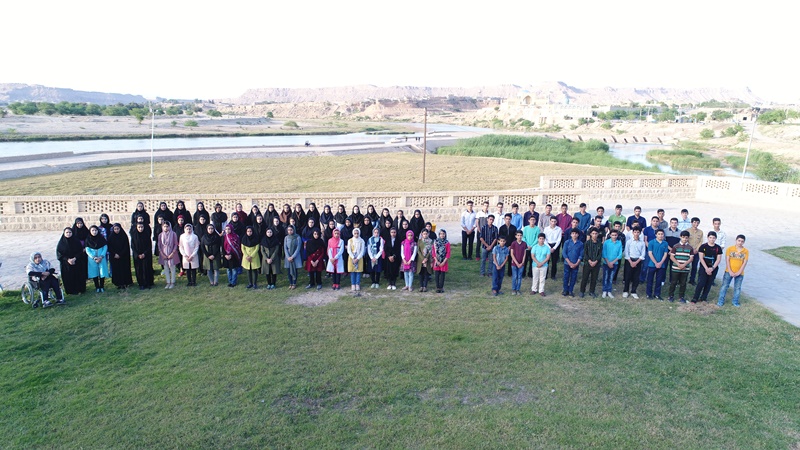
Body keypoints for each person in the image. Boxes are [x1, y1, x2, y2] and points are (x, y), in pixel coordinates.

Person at [717, 235, 749, 308]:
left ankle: (735, 302)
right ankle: (720, 301)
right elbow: (727, 260)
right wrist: (730, 271)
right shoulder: (730, 249)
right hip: (729, 271)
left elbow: (744, 262)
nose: (740, 243)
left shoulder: (745, 251)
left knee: (737, 288)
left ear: (744, 242)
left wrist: (739, 272)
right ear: (736, 240)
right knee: (724, 286)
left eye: (742, 241)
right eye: (739, 241)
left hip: (740, 273)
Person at [692, 231, 722, 303]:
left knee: (708, 284)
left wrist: (712, 268)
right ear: (708, 238)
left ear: (715, 238)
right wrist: (706, 268)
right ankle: (695, 298)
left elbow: (718, 259)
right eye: (710, 237)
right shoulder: (703, 246)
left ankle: (703, 298)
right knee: (701, 283)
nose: (712, 239)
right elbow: (701, 258)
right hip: (704, 267)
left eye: (713, 238)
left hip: (713, 268)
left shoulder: (718, 248)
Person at [56, 226, 87, 295]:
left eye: (70, 232)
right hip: (66, 264)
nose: (68, 234)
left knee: (78, 275)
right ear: (64, 233)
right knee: (68, 277)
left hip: (77, 262)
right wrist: (68, 260)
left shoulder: (76, 241)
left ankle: (80, 289)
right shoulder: (61, 243)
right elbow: (59, 254)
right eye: (67, 232)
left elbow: (80, 252)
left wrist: (75, 258)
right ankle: (71, 290)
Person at [666, 230, 694, 303]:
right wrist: (678, 264)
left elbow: (691, 258)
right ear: (680, 237)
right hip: (676, 268)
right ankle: (670, 296)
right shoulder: (675, 246)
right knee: (673, 282)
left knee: (683, 283)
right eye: (683, 237)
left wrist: (684, 265)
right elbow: (672, 257)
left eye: (686, 238)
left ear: (688, 238)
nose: (685, 239)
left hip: (685, 268)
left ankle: (681, 297)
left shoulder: (690, 248)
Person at [622, 227, 646, 299]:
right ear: (632, 233)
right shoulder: (629, 242)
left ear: (640, 233)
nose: (636, 234)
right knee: (627, 276)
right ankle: (625, 291)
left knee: (636, 277)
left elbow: (643, 254)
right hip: (629, 260)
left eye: (638, 232)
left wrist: (636, 262)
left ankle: (633, 291)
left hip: (638, 261)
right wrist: (631, 262)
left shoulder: (642, 243)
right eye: (635, 232)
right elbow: (626, 252)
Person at [646, 229, 669, 300]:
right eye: (659, 234)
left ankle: (657, 294)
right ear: (656, 235)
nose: (660, 235)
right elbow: (650, 253)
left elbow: (665, 254)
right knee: (650, 280)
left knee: (659, 280)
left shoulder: (665, 243)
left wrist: (661, 262)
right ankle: (649, 294)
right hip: (652, 264)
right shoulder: (651, 242)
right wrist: (656, 263)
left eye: (662, 234)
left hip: (661, 265)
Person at [130, 222, 154, 290]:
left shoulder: (146, 235)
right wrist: (138, 254)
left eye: (142, 227)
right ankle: (141, 284)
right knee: (139, 270)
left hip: (146, 255)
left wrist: (144, 254)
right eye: (139, 227)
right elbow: (133, 246)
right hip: (137, 256)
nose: (140, 229)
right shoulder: (134, 236)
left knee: (147, 269)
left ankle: (148, 283)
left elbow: (149, 246)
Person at [85, 225, 109, 293]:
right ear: (90, 231)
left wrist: (101, 256)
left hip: (101, 257)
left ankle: (102, 286)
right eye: (92, 230)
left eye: (96, 230)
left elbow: (105, 247)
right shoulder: (88, 239)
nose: (94, 232)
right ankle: (97, 287)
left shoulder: (101, 238)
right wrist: (94, 257)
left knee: (102, 271)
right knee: (94, 272)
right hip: (92, 259)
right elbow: (87, 250)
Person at [562, 229, 584, 297]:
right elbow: (564, 253)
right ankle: (565, 290)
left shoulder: (580, 244)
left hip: (575, 263)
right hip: (567, 263)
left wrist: (577, 263)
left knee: (573, 277)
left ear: (578, 235)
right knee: (566, 276)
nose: (574, 235)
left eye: (576, 233)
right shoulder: (567, 242)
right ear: (571, 234)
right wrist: (569, 262)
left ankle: (571, 290)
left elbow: (581, 255)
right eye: (573, 233)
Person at [158, 221, 180, 289]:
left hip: (172, 253)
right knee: (166, 268)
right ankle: (168, 282)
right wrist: (162, 254)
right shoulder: (160, 235)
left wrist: (172, 253)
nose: (166, 228)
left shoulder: (173, 234)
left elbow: (175, 244)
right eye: (164, 226)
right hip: (164, 254)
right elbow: (159, 245)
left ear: (169, 227)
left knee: (172, 268)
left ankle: (172, 282)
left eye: (167, 226)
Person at [601, 230, 623, 298]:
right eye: (612, 235)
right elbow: (604, 253)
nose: (614, 236)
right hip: (606, 263)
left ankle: (609, 291)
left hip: (614, 263)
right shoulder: (606, 242)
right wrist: (608, 262)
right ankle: (604, 290)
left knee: (611, 278)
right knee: (605, 277)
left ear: (617, 235)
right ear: (610, 235)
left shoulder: (619, 243)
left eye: (615, 235)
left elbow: (620, 254)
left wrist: (613, 262)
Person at [348, 228, 366, 295]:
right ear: (353, 233)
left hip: (359, 258)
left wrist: (357, 258)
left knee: (358, 271)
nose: (356, 235)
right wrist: (353, 258)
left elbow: (362, 250)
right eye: (355, 233)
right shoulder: (350, 240)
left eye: (357, 233)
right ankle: (353, 284)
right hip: (352, 258)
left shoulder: (361, 241)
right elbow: (349, 250)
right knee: (352, 271)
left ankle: (357, 283)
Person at [432, 229, 451, 293]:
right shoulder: (435, 242)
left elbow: (448, 253)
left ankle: (441, 287)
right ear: (439, 235)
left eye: (443, 234)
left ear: (445, 235)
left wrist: (443, 262)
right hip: (437, 261)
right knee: (437, 274)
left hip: (443, 261)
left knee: (442, 275)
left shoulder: (447, 243)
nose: (442, 235)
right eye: (441, 234)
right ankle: (437, 287)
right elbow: (433, 252)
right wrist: (436, 261)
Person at [284, 225, 302, 289]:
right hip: (288, 256)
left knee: (295, 270)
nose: (290, 231)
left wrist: (293, 257)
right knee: (289, 270)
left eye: (291, 230)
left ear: (294, 230)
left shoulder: (297, 237)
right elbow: (285, 248)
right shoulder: (286, 238)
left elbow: (298, 247)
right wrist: (288, 257)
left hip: (295, 256)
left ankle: (294, 283)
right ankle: (290, 283)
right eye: (288, 230)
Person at [687, 217, 704, 285]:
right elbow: (686, 240)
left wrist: (697, 249)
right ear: (691, 223)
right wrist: (691, 249)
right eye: (694, 222)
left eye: (697, 222)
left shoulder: (700, 232)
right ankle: (683, 278)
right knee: (686, 265)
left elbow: (701, 241)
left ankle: (692, 280)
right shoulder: (687, 231)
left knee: (694, 266)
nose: (696, 224)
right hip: (688, 250)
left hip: (696, 252)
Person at [509, 230, 527, 295]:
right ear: (516, 236)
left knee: (519, 277)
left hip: (521, 263)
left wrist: (522, 262)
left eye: (520, 235)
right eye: (518, 235)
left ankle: (518, 289)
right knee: (515, 276)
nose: (519, 237)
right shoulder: (513, 243)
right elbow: (512, 254)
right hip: (514, 263)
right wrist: (516, 263)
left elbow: (524, 254)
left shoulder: (524, 244)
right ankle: (513, 289)